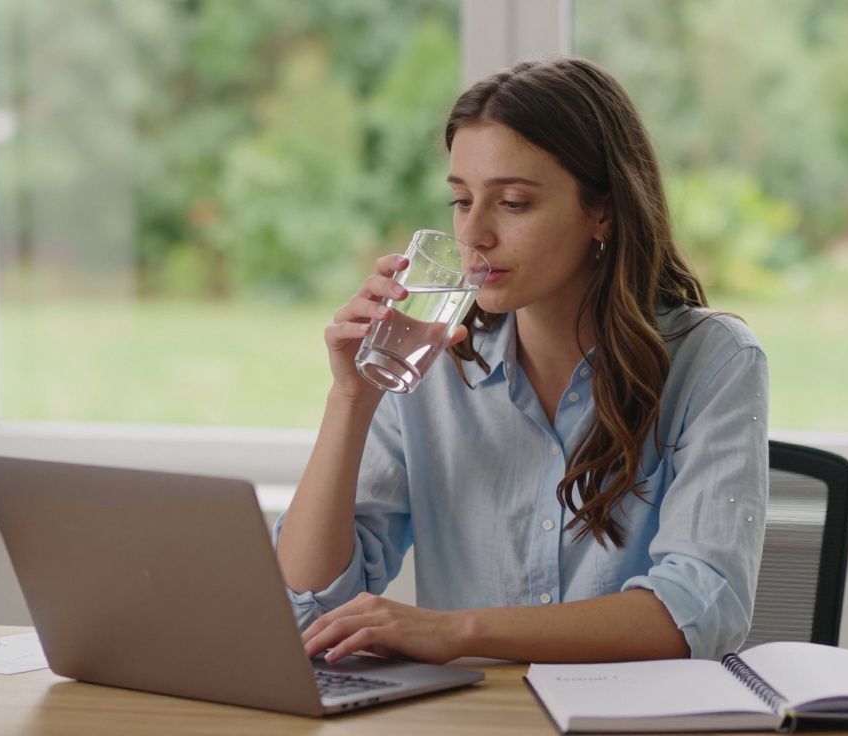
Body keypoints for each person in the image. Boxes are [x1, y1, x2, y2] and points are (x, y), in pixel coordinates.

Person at [273, 57, 769, 665]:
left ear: (603, 212)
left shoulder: (712, 362)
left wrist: (457, 632)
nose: (474, 234)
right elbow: (310, 605)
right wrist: (351, 399)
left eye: (512, 202)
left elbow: (698, 608)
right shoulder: (431, 361)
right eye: (460, 201)